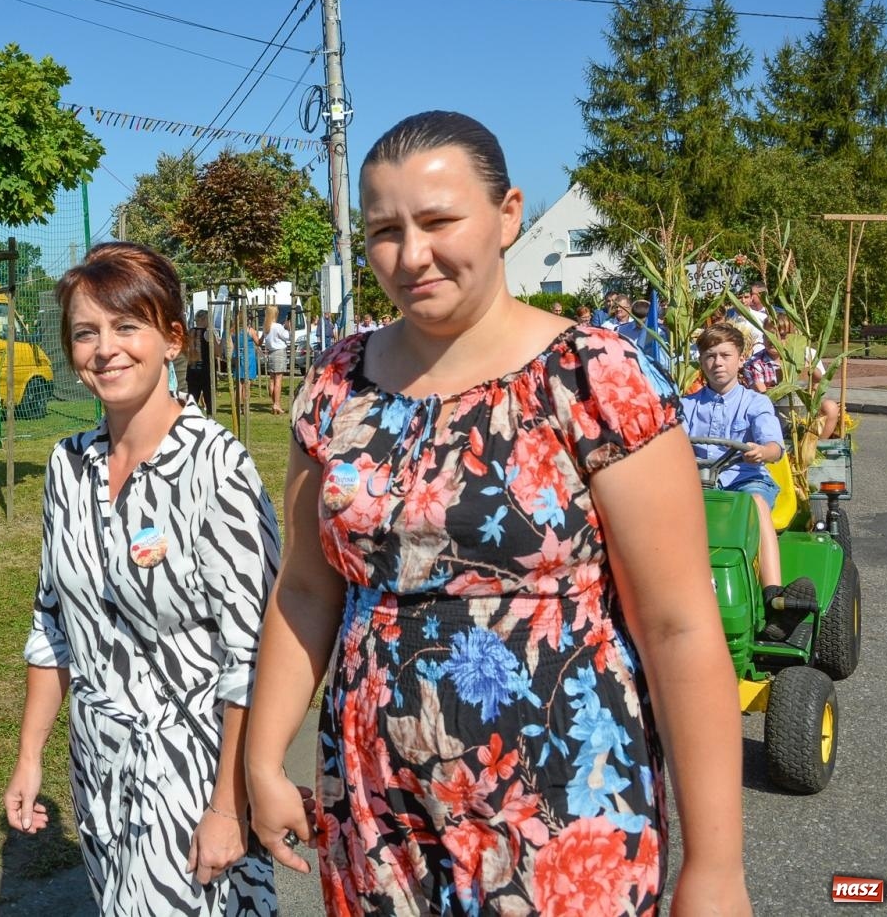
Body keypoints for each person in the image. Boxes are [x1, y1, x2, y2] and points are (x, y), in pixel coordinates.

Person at [244, 111, 749, 915]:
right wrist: (265, 762)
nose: (412, 256)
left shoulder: (595, 378)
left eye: (439, 221)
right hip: (378, 816)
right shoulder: (336, 384)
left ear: (508, 214)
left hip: (562, 811)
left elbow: (679, 626)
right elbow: (306, 589)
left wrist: (716, 869)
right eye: (384, 230)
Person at [4, 242, 281, 916]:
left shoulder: (219, 469)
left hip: (193, 773)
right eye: (85, 332)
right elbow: (52, 624)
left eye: (127, 326)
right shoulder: (67, 467)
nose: (106, 348)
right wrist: (30, 756)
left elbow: (255, 655)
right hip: (97, 769)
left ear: (172, 339)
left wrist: (227, 805)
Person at [681, 323, 798, 636]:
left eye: (725, 355)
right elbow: (668, 440)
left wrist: (764, 450)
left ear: (740, 359)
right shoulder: (686, 405)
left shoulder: (755, 403)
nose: (717, 362)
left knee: (754, 503)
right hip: (698, 484)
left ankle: (773, 594)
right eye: (709, 356)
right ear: (700, 361)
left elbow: (774, 446)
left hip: (745, 482)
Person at [770, 313, 841, 439]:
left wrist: (809, 367)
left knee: (830, 407)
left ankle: (817, 444)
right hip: (777, 408)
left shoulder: (808, 354)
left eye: (783, 336)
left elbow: (820, 383)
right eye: (772, 336)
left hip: (807, 405)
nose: (777, 340)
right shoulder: (763, 359)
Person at [262, 304, 290, 415]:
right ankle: (276, 404)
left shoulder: (266, 327)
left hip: (271, 353)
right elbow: (287, 337)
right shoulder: (277, 326)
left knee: (272, 379)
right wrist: (288, 327)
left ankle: (274, 403)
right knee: (278, 380)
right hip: (279, 353)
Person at [185, 310, 214, 415]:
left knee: (192, 401)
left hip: (192, 370)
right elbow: (218, 351)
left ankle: (190, 423)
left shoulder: (189, 332)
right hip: (205, 371)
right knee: (210, 401)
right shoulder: (208, 333)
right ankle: (210, 421)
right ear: (204, 319)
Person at [231, 309, 260, 410]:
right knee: (246, 384)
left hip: (238, 356)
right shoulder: (250, 330)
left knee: (239, 384)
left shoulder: (234, 330)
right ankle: (245, 408)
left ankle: (237, 407)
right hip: (248, 357)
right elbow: (258, 343)